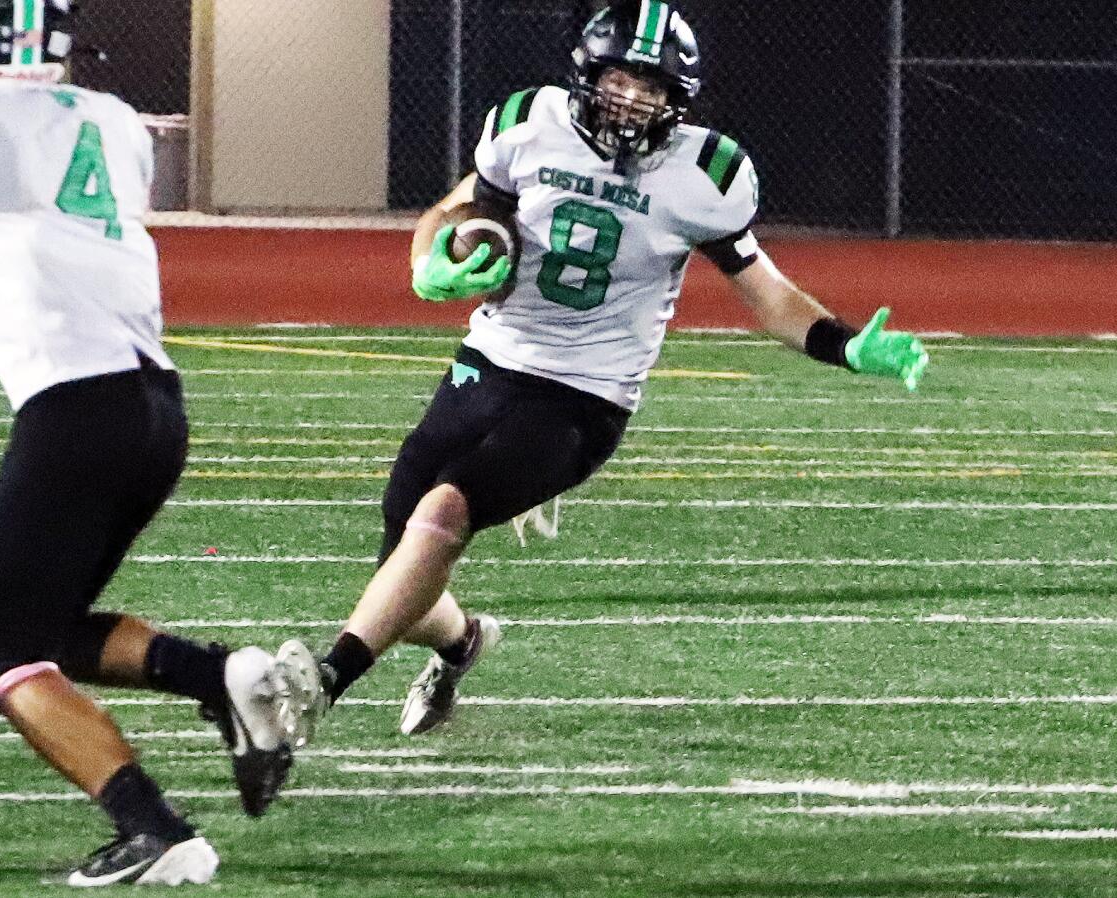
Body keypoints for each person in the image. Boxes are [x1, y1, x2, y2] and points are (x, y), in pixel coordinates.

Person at [275, 0, 928, 742]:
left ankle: (324, 683)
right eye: (621, 81)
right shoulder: (529, 121)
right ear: (589, 75)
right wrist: (430, 260)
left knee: (444, 514)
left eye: (652, 90)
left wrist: (843, 344)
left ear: (678, 101)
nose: (632, 102)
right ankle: (462, 644)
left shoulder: (707, 173)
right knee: (405, 567)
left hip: (586, 395)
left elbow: (769, 296)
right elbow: (452, 213)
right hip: (490, 356)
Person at [0, 0, 301, 886]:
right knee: (51, 625)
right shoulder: (110, 119)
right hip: (154, 408)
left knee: (3, 652)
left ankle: (155, 829)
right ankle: (222, 678)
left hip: (72, 408)